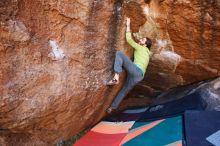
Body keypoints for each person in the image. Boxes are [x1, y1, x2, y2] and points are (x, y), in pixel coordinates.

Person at [106, 17, 152, 113]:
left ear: (144, 45)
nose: (141, 39)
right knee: (123, 91)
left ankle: (116, 77)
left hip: (136, 70)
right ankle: (112, 108)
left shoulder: (141, 48)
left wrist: (128, 24)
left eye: (143, 40)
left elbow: (129, 40)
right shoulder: (147, 53)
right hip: (139, 76)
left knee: (119, 54)